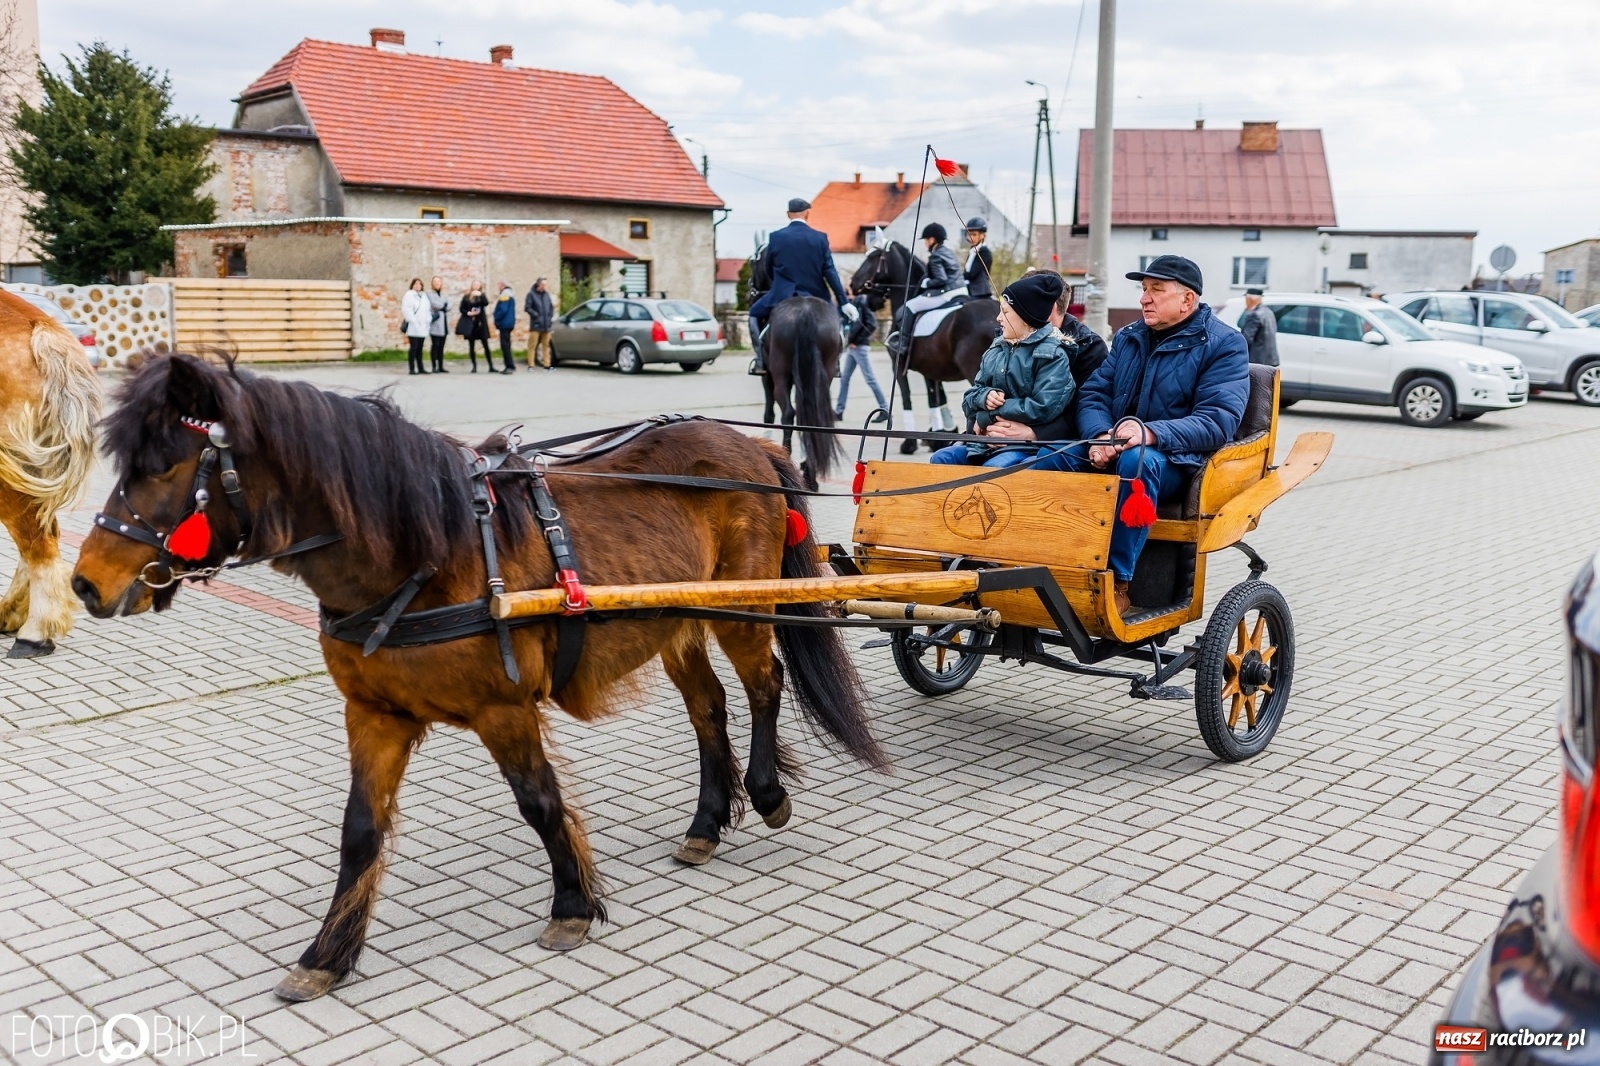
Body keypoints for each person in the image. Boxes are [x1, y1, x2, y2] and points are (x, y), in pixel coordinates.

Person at [1034, 255, 1249, 617]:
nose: (1144, 298)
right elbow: (1093, 394)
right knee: (1042, 458)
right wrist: (1099, 436)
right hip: (1115, 445)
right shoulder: (1130, 337)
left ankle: (1117, 583)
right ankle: (1034, 563)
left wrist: (1149, 433)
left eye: (1156, 290)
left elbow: (1218, 421)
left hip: (1178, 462)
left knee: (1136, 463)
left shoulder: (1224, 344)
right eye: (1144, 289)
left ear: (1187, 300)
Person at [930, 273, 1074, 468]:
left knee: (992, 471)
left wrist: (987, 415)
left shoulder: (1053, 355)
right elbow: (971, 396)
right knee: (941, 459)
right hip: (985, 444)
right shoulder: (997, 347)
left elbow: (1042, 407)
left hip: (1026, 447)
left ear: (1025, 317)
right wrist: (984, 397)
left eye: (1005, 312)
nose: (998, 318)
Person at [746, 197, 852, 375]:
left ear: (788, 214)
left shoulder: (776, 237)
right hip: (816, 295)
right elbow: (830, 271)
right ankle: (835, 362)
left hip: (782, 294)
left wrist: (777, 285)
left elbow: (767, 267)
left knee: (754, 314)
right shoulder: (820, 238)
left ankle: (760, 359)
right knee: (838, 321)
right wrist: (843, 301)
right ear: (807, 214)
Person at [884, 222, 966, 360]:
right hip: (961, 291)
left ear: (932, 240)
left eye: (926, 240)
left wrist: (926, 282)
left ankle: (903, 343)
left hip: (946, 293)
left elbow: (941, 280)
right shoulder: (949, 252)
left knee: (910, 306)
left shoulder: (935, 256)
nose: (926, 244)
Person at [834, 291, 888, 418]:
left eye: (848, 292)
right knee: (845, 378)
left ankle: (884, 409)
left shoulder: (863, 301)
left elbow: (871, 324)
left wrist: (856, 341)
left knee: (870, 379)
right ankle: (839, 411)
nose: (846, 296)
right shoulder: (854, 304)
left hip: (860, 347)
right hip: (852, 348)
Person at [1239, 287, 1279, 366]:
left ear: (1250, 299)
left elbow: (1246, 339)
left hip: (1257, 362)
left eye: (1246, 299)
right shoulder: (1269, 312)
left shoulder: (1254, 315)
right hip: (1270, 361)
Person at [456, 282, 492, 372]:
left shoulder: (481, 296)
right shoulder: (467, 297)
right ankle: (474, 366)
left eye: (477, 284)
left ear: (480, 286)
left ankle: (491, 366)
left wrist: (481, 294)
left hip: (481, 323)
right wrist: (469, 313)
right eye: (474, 284)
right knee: (471, 345)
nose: (475, 286)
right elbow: (461, 308)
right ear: (471, 286)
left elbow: (486, 303)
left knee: (485, 344)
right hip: (470, 323)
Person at [401, 278, 431, 375]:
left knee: (420, 348)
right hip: (413, 326)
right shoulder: (409, 295)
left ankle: (421, 367)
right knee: (413, 347)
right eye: (416, 283)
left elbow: (427, 310)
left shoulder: (424, 296)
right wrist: (414, 320)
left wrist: (428, 320)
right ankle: (412, 368)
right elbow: (407, 309)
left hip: (423, 326)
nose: (418, 285)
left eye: (419, 284)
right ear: (412, 285)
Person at [524, 277, 555, 371]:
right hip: (536, 325)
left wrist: (549, 318)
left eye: (546, 284)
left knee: (546, 345)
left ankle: (547, 364)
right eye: (543, 284)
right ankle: (531, 365)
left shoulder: (546, 295)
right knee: (532, 345)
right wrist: (536, 315)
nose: (545, 286)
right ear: (538, 284)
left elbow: (551, 307)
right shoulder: (531, 294)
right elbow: (527, 307)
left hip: (546, 325)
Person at [963, 216, 994, 299]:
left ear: (982, 235)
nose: (970, 237)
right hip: (969, 289)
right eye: (969, 234)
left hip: (979, 292)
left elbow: (972, 274)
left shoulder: (984, 251)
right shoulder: (972, 251)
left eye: (974, 235)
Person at [493, 281, 518, 374]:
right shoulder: (510, 295)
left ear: (503, 286)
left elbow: (502, 310)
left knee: (505, 346)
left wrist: (497, 318)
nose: (498, 287)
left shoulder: (505, 295)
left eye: (499, 285)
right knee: (507, 345)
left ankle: (509, 366)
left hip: (504, 323)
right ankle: (510, 365)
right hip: (509, 323)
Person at [427, 276, 450, 372]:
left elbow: (449, 305)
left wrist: (443, 306)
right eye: (435, 281)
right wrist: (443, 305)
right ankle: (434, 366)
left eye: (439, 281)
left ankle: (441, 366)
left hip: (444, 323)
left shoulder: (444, 294)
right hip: (435, 322)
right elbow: (434, 304)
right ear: (432, 283)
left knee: (441, 346)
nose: (437, 283)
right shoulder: (429, 294)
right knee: (435, 345)